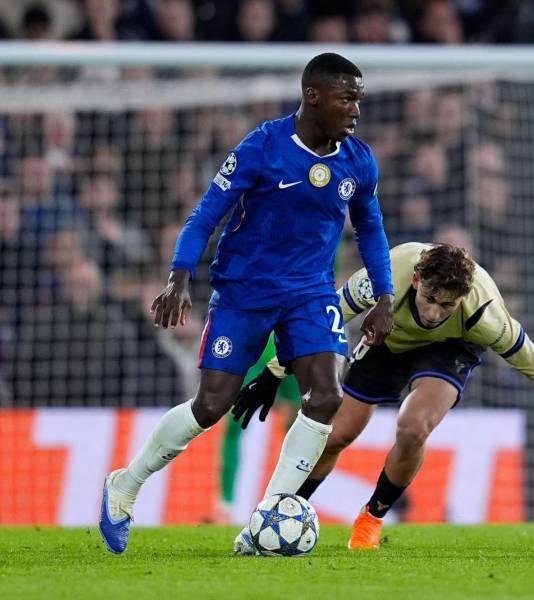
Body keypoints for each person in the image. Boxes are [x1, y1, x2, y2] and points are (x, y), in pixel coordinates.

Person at [98, 53, 395, 555]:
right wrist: (177, 278)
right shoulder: (263, 146)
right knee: (212, 405)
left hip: (309, 293)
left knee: (325, 397)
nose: (356, 110)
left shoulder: (358, 159)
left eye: (359, 100)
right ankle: (125, 484)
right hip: (244, 292)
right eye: (348, 99)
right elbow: (203, 217)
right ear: (314, 96)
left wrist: (384, 296)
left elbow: (371, 228)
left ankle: (264, 521)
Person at [232, 243, 534, 552]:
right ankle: (280, 513)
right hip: (388, 338)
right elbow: (321, 319)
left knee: (413, 428)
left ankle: (371, 518)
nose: (434, 313)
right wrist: (273, 372)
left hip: (450, 348)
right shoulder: (384, 277)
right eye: (430, 298)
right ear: (416, 280)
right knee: (336, 435)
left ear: (462, 297)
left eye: (447, 305)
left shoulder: (486, 316)